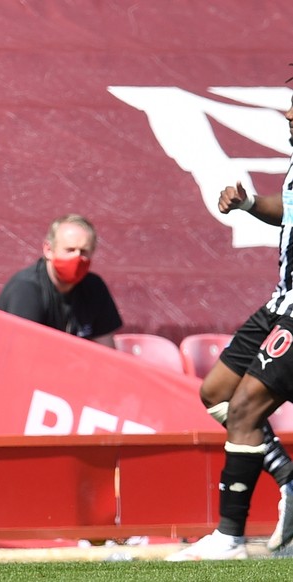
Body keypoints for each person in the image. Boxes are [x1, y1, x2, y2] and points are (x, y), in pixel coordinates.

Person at [167, 94, 293, 561]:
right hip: (280, 301)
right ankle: (287, 481)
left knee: (244, 410)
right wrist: (250, 204)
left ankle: (230, 536)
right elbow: (290, 212)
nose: (287, 113)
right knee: (218, 392)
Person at [0, 214, 122, 347]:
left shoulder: (94, 287)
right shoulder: (26, 289)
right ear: (48, 250)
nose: (77, 258)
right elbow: (23, 352)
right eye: (70, 250)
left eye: (84, 251)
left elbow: (107, 348)